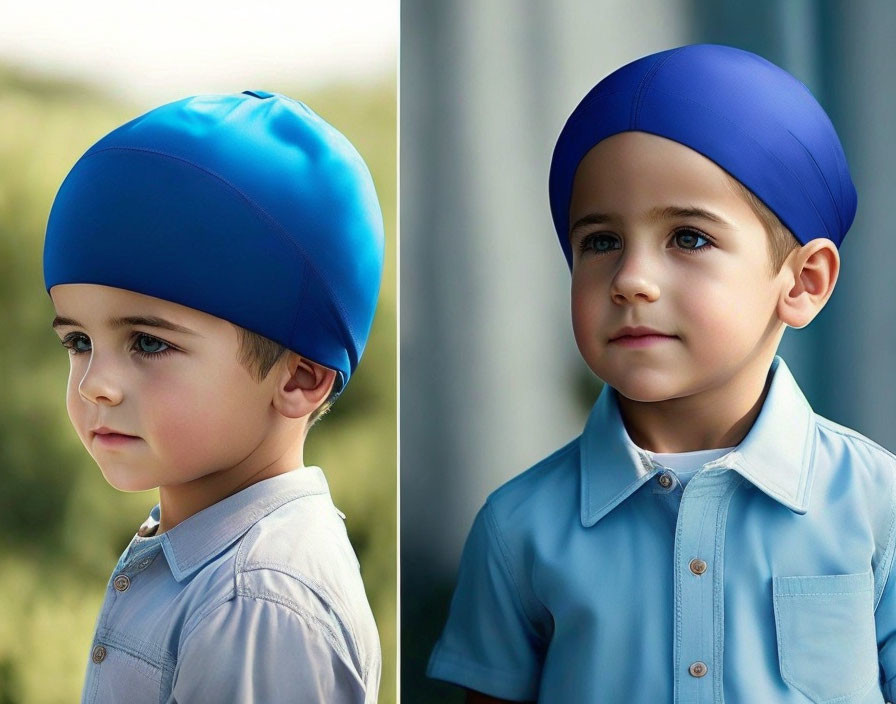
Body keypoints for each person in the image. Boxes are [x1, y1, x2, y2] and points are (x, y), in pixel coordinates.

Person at [427, 44, 896, 703]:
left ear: (802, 283)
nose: (630, 280)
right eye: (601, 241)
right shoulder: (518, 527)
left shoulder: (879, 507)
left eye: (688, 237)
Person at [43, 90, 385, 703]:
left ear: (300, 377)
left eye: (147, 343)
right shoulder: (201, 555)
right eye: (78, 339)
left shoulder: (257, 605)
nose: (95, 381)